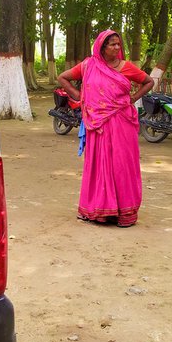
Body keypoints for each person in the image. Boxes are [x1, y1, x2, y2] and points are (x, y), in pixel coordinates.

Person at [57, 30, 155, 227]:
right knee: (98, 165)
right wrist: (79, 96)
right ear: (101, 47)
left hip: (122, 124)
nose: (117, 48)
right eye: (112, 44)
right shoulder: (88, 65)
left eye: (119, 44)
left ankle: (124, 213)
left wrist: (133, 99)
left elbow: (148, 81)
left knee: (122, 166)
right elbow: (63, 78)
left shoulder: (126, 67)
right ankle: (99, 210)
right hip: (97, 126)